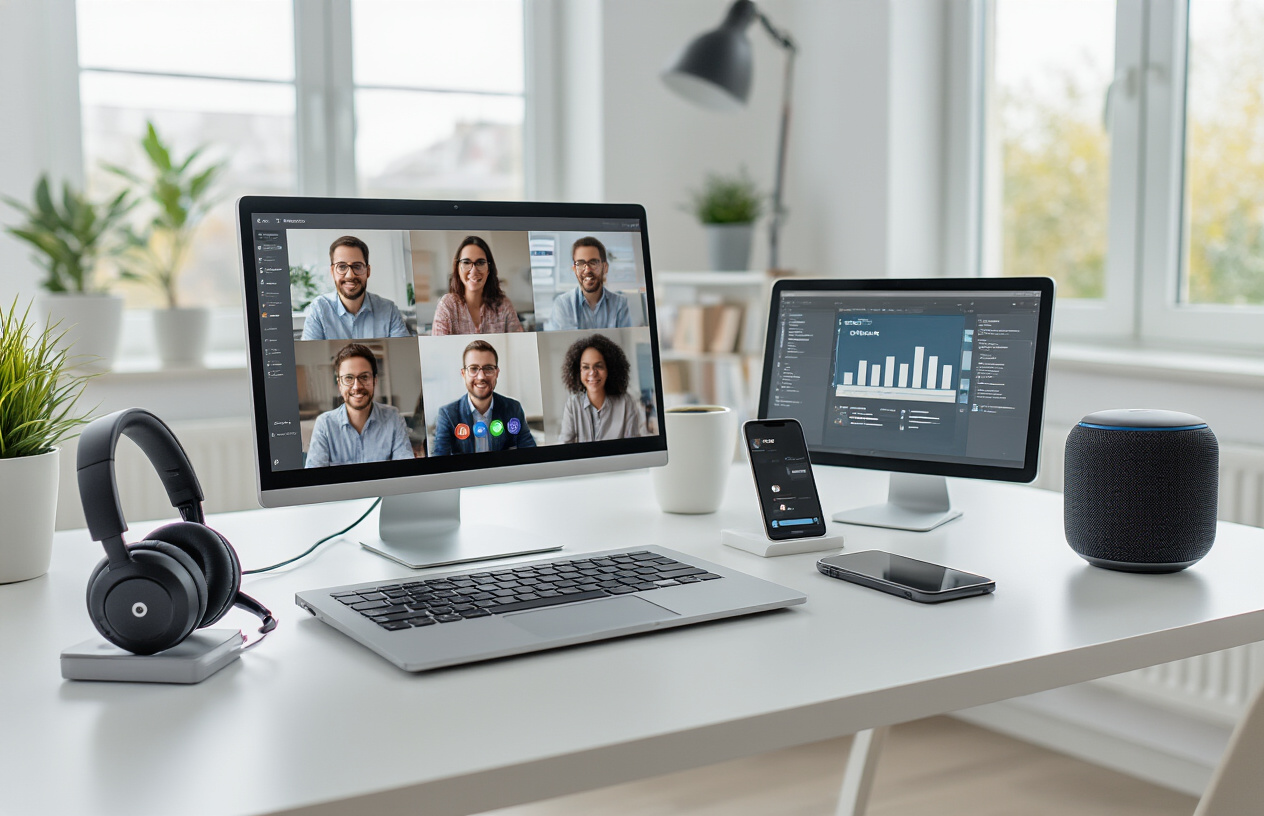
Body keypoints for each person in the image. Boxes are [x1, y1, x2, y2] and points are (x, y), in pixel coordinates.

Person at [305, 343, 415, 467]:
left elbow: (405, 472)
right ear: (339, 384)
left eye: (364, 377)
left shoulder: (393, 417)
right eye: (348, 378)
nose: (357, 386)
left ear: (375, 380)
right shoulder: (325, 424)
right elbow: (316, 479)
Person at [432, 339, 537, 455]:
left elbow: (530, 454)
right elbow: (439, 462)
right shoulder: (447, 414)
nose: (481, 376)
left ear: (496, 373)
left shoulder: (513, 408)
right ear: (463, 374)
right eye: (473, 369)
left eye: (488, 368)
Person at [301, 235, 411, 340]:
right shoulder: (318, 309)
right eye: (342, 267)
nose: (350, 275)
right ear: (332, 272)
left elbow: (403, 355)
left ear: (368, 271)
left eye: (357, 266)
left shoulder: (389, 310)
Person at [557, 334, 645, 443]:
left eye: (598, 366)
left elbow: (634, 447)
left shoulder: (626, 402)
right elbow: (565, 445)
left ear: (609, 369)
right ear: (578, 371)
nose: (592, 373)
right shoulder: (573, 404)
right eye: (585, 367)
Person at [430, 236, 524, 335]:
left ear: (489, 269)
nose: (474, 271)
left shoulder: (503, 305)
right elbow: (437, 348)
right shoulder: (447, 305)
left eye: (480, 263)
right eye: (466, 262)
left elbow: (519, 344)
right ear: (457, 268)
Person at [545, 237, 633, 331]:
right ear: (574, 269)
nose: (587, 269)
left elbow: (625, 341)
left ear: (605, 267)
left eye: (593, 262)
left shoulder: (620, 304)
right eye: (581, 263)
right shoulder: (563, 304)